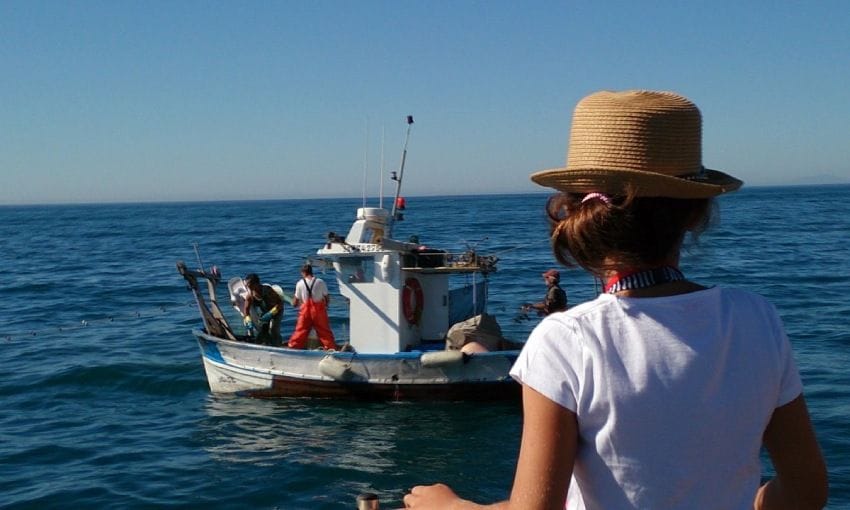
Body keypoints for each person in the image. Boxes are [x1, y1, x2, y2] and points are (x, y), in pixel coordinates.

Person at [403, 90, 827, 509]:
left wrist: (451, 506)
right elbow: (806, 490)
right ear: (697, 214)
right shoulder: (756, 318)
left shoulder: (567, 338)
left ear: (575, 212)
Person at [288, 263, 336, 350]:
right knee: (324, 331)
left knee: (300, 331)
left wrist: (293, 303)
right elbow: (327, 298)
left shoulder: (300, 283)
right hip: (319, 311)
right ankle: (330, 348)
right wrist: (326, 306)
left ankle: (293, 348)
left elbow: (295, 302)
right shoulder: (320, 281)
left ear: (303, 273)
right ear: (311, 272)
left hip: (305, 312)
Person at [242, 273, 284, 346]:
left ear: (256, 283)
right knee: (263, 329)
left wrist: (271, 313)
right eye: (247, 285)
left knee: (274, 330)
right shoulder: (250, 295)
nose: (248, 286)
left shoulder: (267, 290)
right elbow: (246, 309)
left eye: (250, 284)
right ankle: (265, 344)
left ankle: (277, 346)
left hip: (277, 311)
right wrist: (247, 319)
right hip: (265, 311)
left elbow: (280, 304)